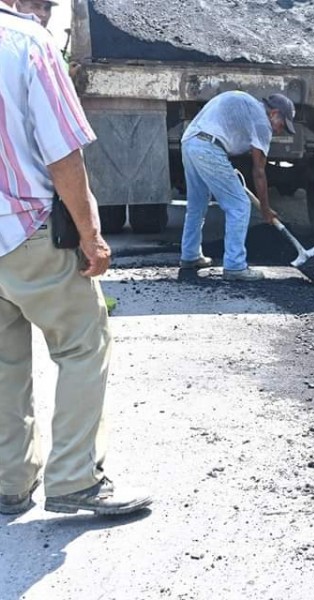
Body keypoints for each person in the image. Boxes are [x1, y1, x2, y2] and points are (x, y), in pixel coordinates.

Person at [0, 5, 152, 515]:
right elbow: (62, 153)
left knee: (2, 364)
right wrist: (91, 235)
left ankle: (8, 483)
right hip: (27, 232)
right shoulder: (28, 43)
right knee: (84, 343)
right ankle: (74, 479)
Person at [179, 91, 296, 281]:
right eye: (282, 124)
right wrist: (265, 209)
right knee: (239, 205)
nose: (279, 130)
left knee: (197, 204)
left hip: (190, 142)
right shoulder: (262, 122)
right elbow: (259, 171)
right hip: (208, 147)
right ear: (274, 113)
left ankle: (190, 256)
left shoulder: (248, 104)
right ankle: (235, 266)